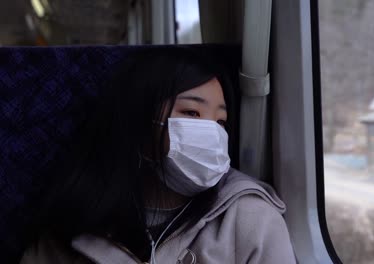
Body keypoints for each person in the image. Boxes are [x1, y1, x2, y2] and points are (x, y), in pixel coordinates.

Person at [20, 47, 296, 264]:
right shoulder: (72, 221)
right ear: (138, 120)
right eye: (191, 113)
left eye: (221, 122)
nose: (211, 133)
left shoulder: (250, 219)